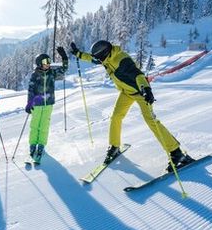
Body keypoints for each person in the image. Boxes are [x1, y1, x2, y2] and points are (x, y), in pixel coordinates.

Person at [70, 40, 193, 170]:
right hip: (126, 93)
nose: (98, 59)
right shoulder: (105, 58)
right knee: (116, 117)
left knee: (151, 120)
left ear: (105, 53)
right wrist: (78, 53)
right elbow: (92, 59)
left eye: (99, 57)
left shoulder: (121, 60)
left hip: (140, 92)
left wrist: (146, 89)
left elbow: (138, 75)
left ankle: (176, 153)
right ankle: (114, 146)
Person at [25, 46, 69, 162]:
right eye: (46, 62)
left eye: (49, 62)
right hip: (37, 104)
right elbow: (30, 90)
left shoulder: (52, 73)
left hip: (48, 104)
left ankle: (41, 145)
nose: (48, 64)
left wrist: (64, 57)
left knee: (44, 126)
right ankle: (33, 144)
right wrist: (29, 104)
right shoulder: (35, 75)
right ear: (40, 63)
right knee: (35, 126)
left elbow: (64, 69)